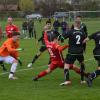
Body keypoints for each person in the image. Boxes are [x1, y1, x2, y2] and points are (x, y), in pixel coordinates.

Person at [60, 19, 86, 86]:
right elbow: (84, 42)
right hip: (80, 52)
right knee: (82, 64)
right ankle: (82, 80)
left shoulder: (70, 31)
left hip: (72, 52)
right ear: (80, 24)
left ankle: (67, 80)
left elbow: (62, 39)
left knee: (66, 65)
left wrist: (61, 38)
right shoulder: (83, 32)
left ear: (74, 24)